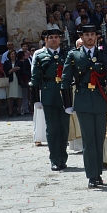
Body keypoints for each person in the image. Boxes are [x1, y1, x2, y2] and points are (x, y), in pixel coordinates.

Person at [61, 25, 107, 188]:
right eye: (87, 35)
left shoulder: (103, 53)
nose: (90, 37)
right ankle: (91, 175)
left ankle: (98, 172)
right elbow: (66, 80)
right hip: (83, 99)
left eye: (92, 34)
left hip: (100, 99)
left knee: (99, 139)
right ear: (82, 37)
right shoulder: (74, 55)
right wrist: (67, 103)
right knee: (88, 139)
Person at [30, 28, 70, 171]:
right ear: (46, 40)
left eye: (56, 37)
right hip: (48, 93)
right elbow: (35, 78)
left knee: (64, 128)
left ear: (60, 39)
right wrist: (36, 99)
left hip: (65, 94)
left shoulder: (67, 54)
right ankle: (54, 159)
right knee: (52, 128)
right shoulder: (41, 56)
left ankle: (63, 158)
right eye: (51, 37)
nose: (54, 39)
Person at [3, 49, 23, 116]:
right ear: (9, 55)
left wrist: (19, 69)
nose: (13, 55)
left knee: (19, 95)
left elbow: (23, 70)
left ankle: (19, 110)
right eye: (11, 54)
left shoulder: (19, 62)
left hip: (18, 80)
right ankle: (10, 111)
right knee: (10, 96)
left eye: (14, 54)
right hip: (10, 80)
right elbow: (5, 72)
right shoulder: (6, 62)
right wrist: (11, 70)